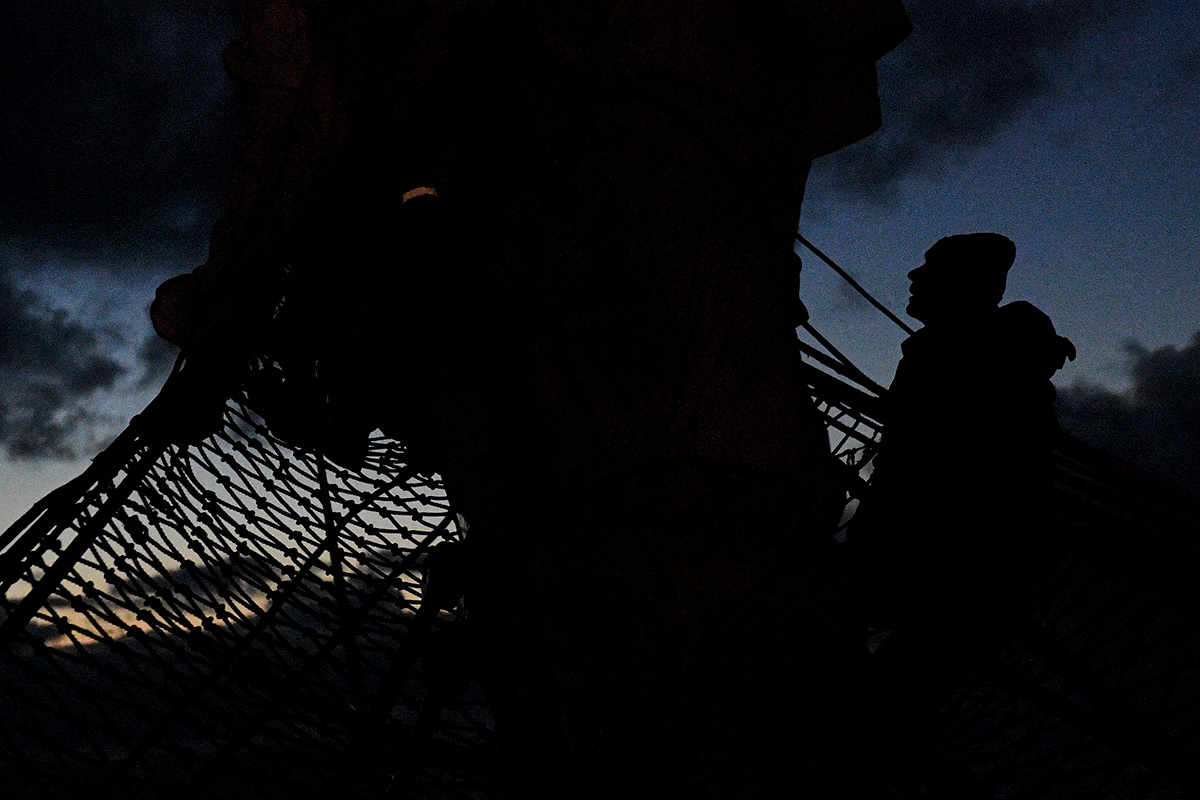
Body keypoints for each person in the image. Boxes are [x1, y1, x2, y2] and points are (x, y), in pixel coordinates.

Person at [151, 1, 912, 795]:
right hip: (729, 400)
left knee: (599, 646)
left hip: (563, 407)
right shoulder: (717, 83)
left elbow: (294, 108)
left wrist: (224, 317)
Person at [852, 232, 1075, 794]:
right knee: (885, 707)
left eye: (930, 269)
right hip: (967, 568)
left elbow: (932, 464)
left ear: (962, 286)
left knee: (873, 711)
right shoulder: (977, 354)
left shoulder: (956, 356)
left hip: (947, 562)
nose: (914, 277)